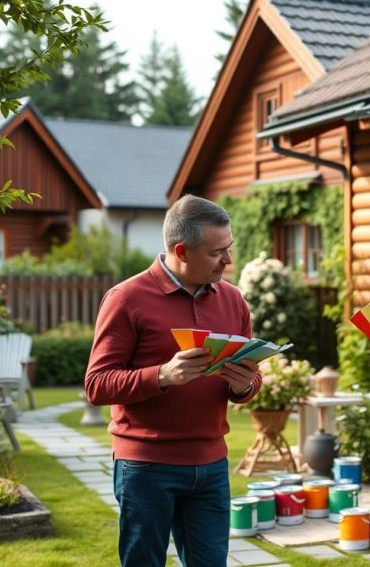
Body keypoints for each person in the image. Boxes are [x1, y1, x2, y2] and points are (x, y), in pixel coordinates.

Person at [84, 194, 261, 567]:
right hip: (147, 467)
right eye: (217, 253)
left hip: (211, 464)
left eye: (229, 248)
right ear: (181, 250)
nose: (228, 260)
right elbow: (97, 384)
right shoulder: (126, 298)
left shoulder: (233, 300)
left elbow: (249, 381)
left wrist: (244, 385)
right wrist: (162, 375)